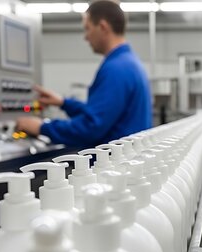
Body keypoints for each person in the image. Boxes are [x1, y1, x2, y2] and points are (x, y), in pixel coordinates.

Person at [16, 0, 152, 148]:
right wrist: (64, 103)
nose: (85, 37)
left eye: (87, 28)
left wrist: (41, 127)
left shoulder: (116, 69)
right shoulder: (129, 62)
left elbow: (91, 127)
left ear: (102, 27)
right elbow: (100, 114)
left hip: (114, 166)